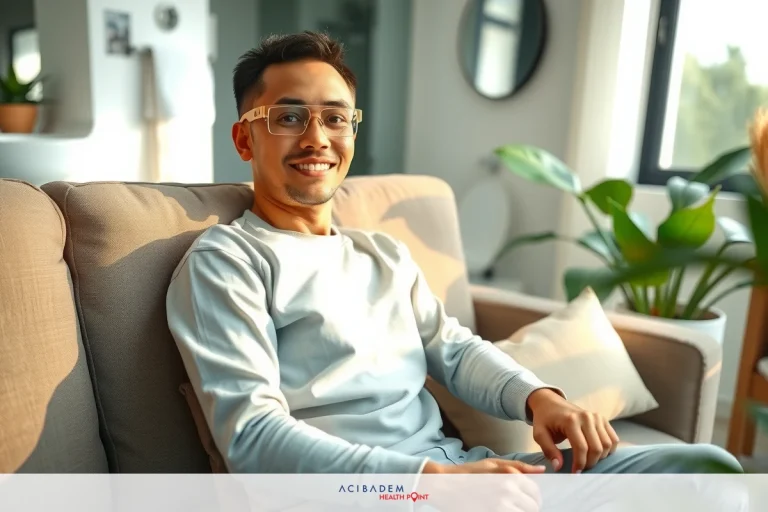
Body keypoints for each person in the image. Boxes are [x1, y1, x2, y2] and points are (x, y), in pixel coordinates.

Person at [165, 31, 742, 478]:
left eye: (336, 117)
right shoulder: (227, 262)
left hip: (471, 476)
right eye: (289, 117)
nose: (317, 137)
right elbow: (253, 438)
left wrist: (540, 398)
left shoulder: (382, 254)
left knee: (708, 470)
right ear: (245, 138)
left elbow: (455, 350)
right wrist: (426, 482)